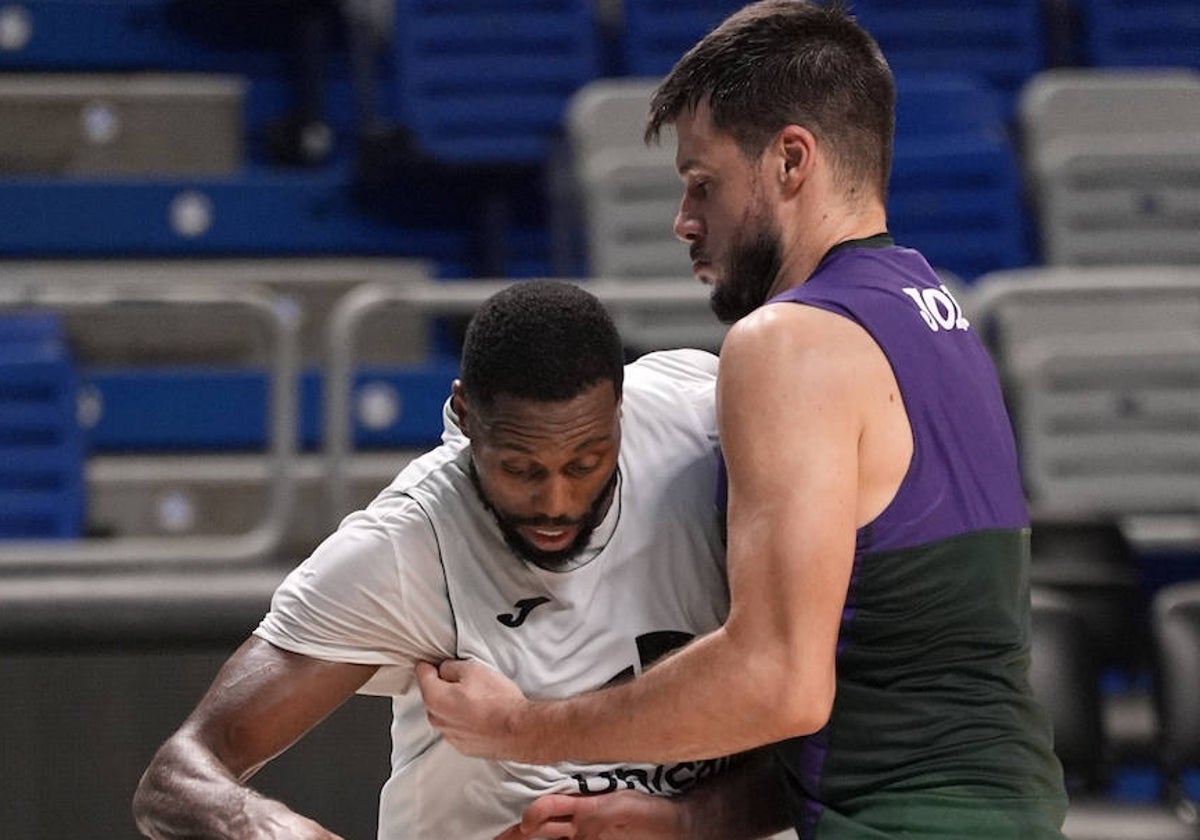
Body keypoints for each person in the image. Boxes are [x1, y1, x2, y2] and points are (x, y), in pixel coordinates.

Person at [416, 2, 1070, 838]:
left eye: (703, 182)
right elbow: (892, 693)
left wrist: (520, 728)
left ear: (791, 159)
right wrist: (687, 822)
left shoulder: (789, 340)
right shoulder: (932, 314)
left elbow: (777, 681)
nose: (684, 221)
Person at [132, 280, 789, 839]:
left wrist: (685, 823)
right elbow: (180, 771)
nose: (556, 501)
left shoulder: (702, 420)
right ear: (465, 414)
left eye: (585, 465)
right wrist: (262, 826)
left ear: (620, 412)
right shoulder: (407, 547)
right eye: (520, 468)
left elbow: (827, 730)